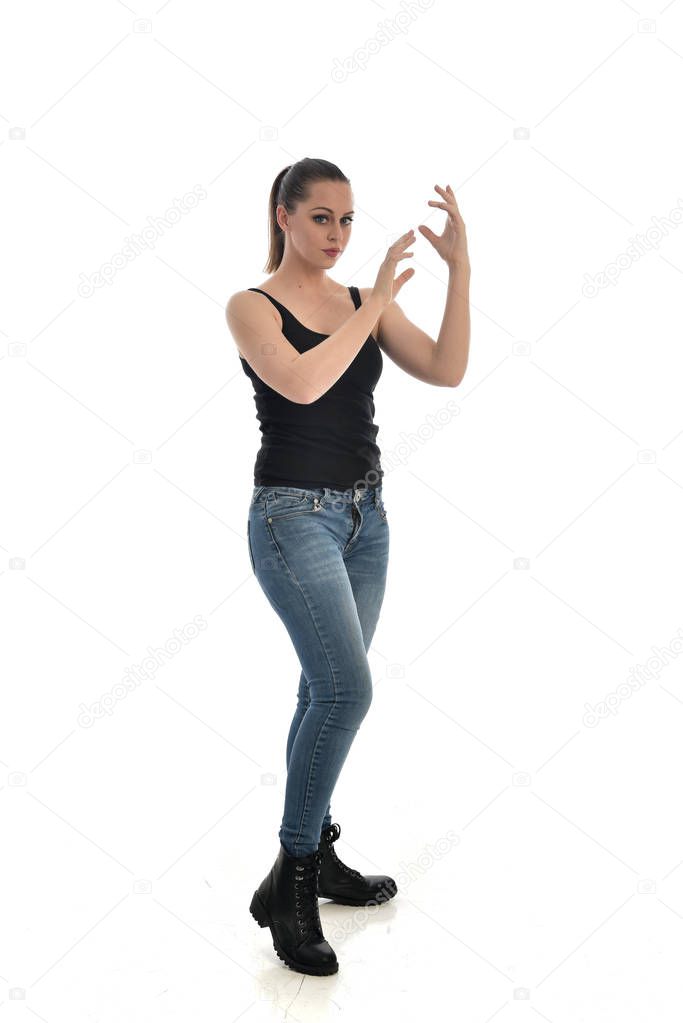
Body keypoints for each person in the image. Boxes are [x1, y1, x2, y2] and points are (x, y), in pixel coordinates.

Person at [225, 157, 471, 976]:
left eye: (346, 221)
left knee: (319, 690)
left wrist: (457, 274)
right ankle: (293, 879)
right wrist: (373, 308)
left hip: (365, 519)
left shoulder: (365, 302)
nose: (335, 235)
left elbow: (444, 367)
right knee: (346, 689)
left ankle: (313, 853)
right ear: (284, 216)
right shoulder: (250, 305)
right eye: (321, 217)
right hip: (290, 517)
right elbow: (298, 383)